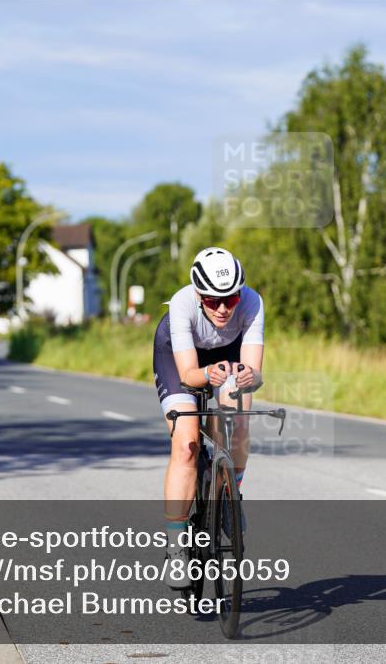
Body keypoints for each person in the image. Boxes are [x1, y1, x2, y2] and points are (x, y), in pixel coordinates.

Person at [152, 247, 264, 589]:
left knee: (239, 421)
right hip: (181, 359)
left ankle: (231, 495)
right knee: (186, 443)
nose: (221, 308)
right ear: (198, 294)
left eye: (230, 299)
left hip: (227, 357)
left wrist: (249, 377)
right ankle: (175, 548)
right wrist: (209, 373)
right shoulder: (182, 304)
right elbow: (188, 374)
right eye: (212, 300)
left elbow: (255, 371)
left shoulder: (253, 303)